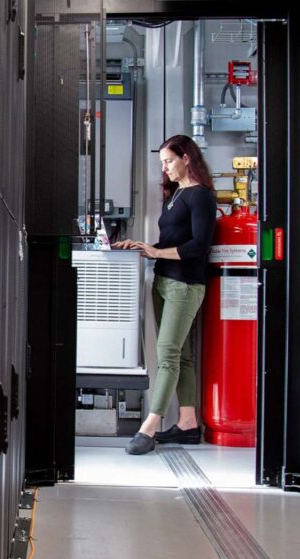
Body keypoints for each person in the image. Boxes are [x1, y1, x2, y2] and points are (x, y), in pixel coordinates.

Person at [112, 134, 217, 454]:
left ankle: (150, 425)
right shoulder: (175, 195)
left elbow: (199, 246)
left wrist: (156, 253)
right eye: (162, 163)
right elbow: (174, 240)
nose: (165, 168)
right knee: (180, 356)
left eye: (169, 161)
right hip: (164, 281)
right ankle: (187, 423)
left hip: (184, 285)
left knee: (167, 354)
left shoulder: (201, 196)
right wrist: (145, 248)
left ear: (187, 158)